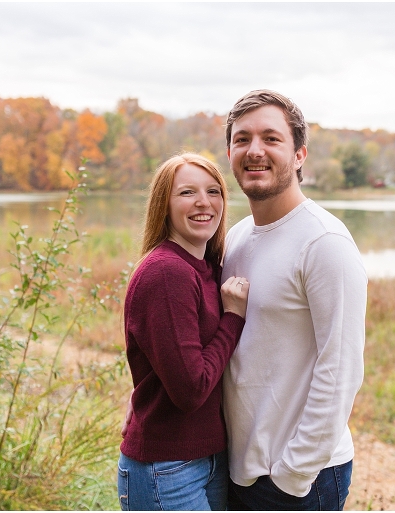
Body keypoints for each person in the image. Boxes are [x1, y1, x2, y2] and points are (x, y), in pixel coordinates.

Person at [221, 89, 367, 510]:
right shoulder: (237, 236)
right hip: (241, 467)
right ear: (230, 152)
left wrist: (294, 473)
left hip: (299, 479)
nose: (255, 151)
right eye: (242, 139)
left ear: (300, 154)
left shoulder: (324, 242)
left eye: (271, 138)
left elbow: (340, 370)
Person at [118, 153, 250, 511]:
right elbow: (190, 389)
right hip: (167, 469)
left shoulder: (205, 267)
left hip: (207, 458)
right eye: (187, 192)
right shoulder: (167, 273)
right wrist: (233, 318)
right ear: (164, 204)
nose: (203, 202)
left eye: (213, 191)